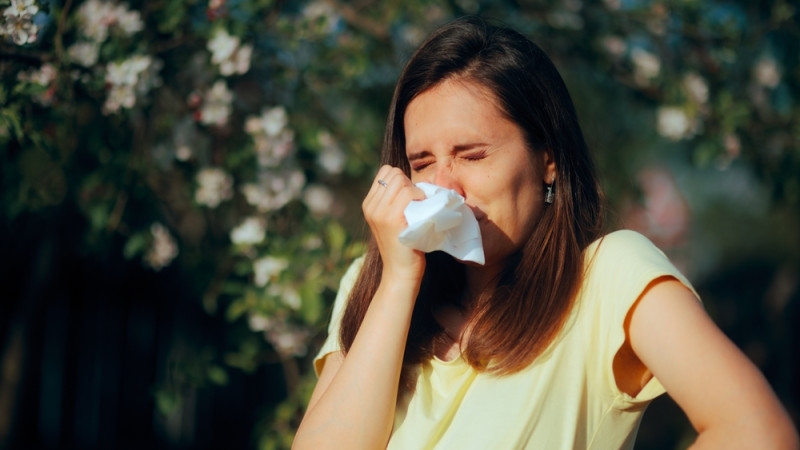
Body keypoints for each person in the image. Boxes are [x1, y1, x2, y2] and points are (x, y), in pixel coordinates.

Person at [293, 16, 799, 449]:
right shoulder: (375, 286)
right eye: (422, 163)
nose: (445, 188)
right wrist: (398, 282)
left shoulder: (608, 279)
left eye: (472, 155)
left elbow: (756, 431)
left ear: (547, 162)